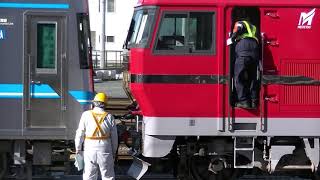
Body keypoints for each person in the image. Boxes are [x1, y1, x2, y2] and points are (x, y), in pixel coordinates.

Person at [75, 92, 118, 180]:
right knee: (108, 176)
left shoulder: (86, 115)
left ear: (94, 103)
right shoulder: (110, 117)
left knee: (89, 175)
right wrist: (114, 151)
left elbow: (80, 133)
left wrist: (78, 148)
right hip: (105, 148)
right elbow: (114, 137)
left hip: (90, 148)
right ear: (105, 104)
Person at [230, 19, 259, 109]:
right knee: (252, 77)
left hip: (243, 49)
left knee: (238, 77)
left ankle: (243, 101)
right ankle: (254, 101)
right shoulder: (253, 26)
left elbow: (239, 28)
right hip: (254, 49)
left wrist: (231, 38)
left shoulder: (240, 23)